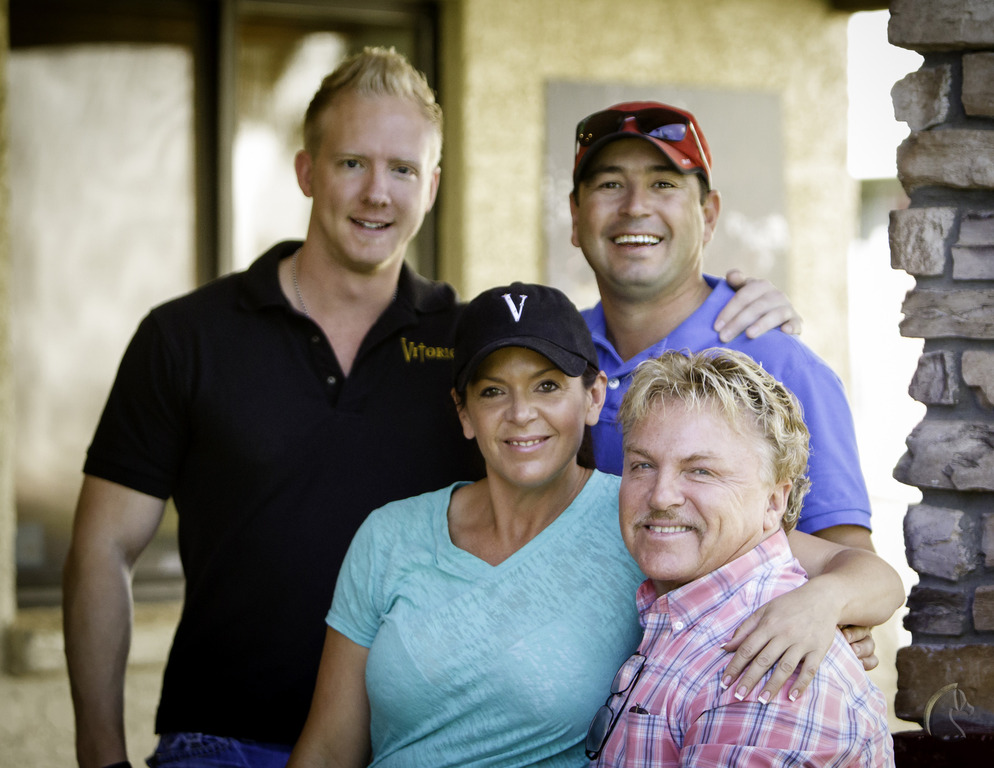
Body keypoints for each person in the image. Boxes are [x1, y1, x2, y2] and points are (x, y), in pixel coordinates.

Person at [61, 50, 796, 768]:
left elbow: (566, 364)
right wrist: (99, 753)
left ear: (433, 185)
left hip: (401, 731)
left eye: (403, 169)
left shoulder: (464, 343)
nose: (378, 193)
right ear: (307, 171)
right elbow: (103, 549)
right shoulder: (186, 337)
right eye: (353, 163)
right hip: (219, 736)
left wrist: (728, 303)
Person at [288, 285, 903, 768]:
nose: (521, 412)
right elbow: (326, 751)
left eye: (548, 385)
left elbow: (858, 574)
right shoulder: (390, 535)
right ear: (464, 412)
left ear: (592, 398)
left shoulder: (648, 524)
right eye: (494, 390)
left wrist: (820, 604)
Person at [569, 102, 873, 552]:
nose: (635, 207)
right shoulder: (555, 354)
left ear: (708, 215)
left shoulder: (777, 363)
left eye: (663, 183)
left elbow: (851, 569)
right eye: (611, 184)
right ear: (575, 216)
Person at [585, 349, 896, 767]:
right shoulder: (686, 615)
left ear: (773, 501)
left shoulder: (771, 665)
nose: (660, 496)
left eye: (701, 471)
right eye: (642, 465)